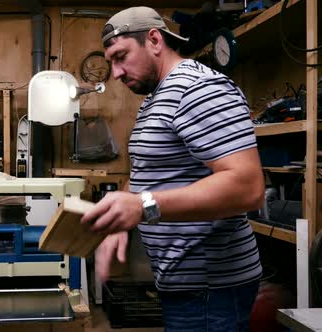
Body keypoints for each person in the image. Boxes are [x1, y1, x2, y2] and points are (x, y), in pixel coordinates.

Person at [80, 7, 265, 331]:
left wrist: (143, 206)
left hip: (212, 289)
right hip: (184, 286)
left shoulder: (197, 89)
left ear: (154, 40)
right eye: (111, 61)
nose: (117, 72)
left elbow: (248, 187)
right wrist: (120, 220)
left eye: (121, 56)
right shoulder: (157, 98)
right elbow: (147, 173)